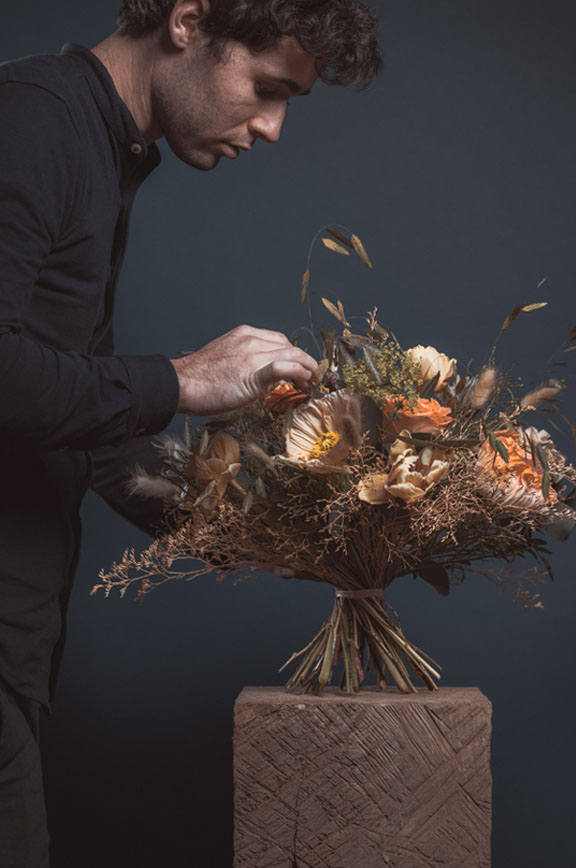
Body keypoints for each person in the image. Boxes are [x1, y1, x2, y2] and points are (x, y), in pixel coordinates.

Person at [0, 0, 381, 864]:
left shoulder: (106, 151)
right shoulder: (30, 121)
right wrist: (183, 380)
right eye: (267, 87)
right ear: (186, 20)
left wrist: (281, 531)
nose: (275, 128)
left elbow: (79, 422)